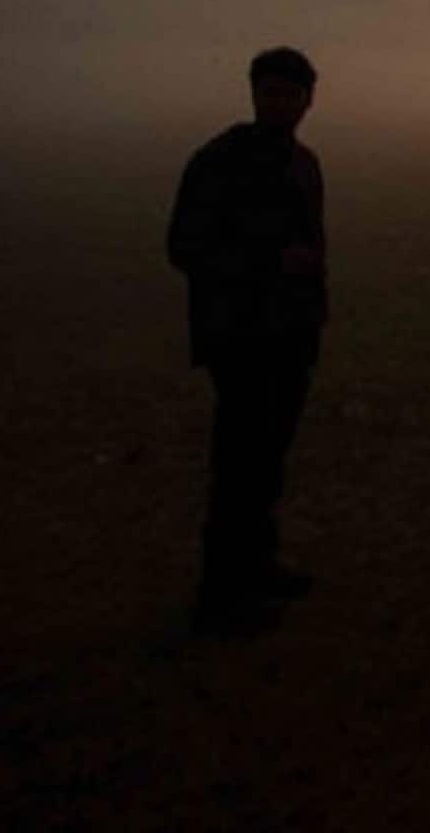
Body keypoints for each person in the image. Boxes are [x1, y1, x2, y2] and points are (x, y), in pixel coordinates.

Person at [168, 46, 327, 635]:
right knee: (239, 463)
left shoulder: (304, 163)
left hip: (291, 334)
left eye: (290, 94)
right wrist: (266, 263)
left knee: (268, 458)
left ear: (309, 100)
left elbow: (313, 250)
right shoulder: (218, 163)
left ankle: (258, 565)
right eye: (270, 93)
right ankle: (222, 591)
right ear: (253, 95)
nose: (279, 103)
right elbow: (184, 247)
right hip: (241, 335)